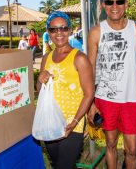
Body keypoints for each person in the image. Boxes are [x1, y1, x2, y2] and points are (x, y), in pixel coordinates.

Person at [87, 0, 136, 169]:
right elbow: (91, 68)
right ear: (103, 5)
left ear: (126, 4)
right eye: (109, 2)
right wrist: (90, 103)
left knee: (132, 150)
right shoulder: (97, 32)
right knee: (111, 145)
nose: (115, 6)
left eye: (119, 1)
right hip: (106, 99)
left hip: (132, 98)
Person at [37, 11, 94, 169]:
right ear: (49, 32)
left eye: (63, 28)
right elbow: (40, 89)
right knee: (57, 163)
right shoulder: (46, 58)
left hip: (71, 124)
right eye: (54, 29)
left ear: (69, 30)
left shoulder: (79, 58)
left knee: (64, 165)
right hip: (50, 121)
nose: (59, 33)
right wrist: (40, 79)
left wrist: (75, 121)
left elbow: (89, 94)